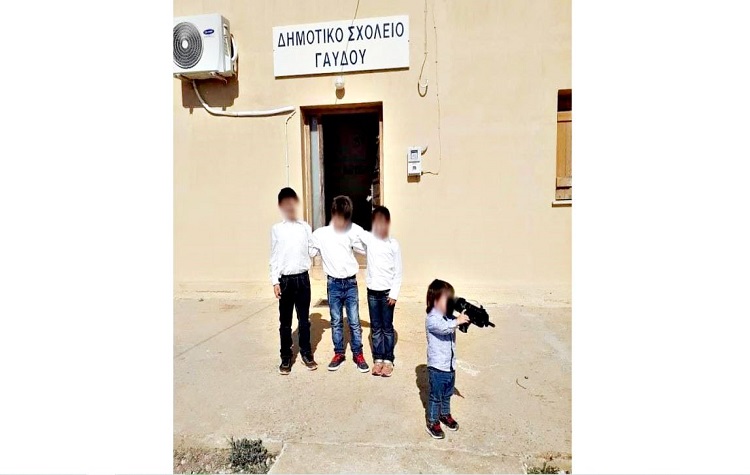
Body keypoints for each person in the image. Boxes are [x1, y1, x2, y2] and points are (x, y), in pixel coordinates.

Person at [310, 195, 370, 373]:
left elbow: (367, 246)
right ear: (333, 213)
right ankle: (339, 353)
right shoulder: (321, 234)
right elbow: (309, 251)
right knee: (336, 321)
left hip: (350, 283)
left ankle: (358, 354)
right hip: (333, 284)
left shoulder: (353, 230)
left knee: (354, 321)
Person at [269, 187, 317, 375]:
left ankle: (306, 353)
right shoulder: (277, 229)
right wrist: (275, 281)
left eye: (292, 202)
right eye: (285, 203)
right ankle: (286, 356)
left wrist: (326, 243)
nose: (289, 206)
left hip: (303, 280)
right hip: (286, 281)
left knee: (304, 320)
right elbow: (274, 257)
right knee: (285, 322)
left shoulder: (305, 227)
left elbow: (312, 250)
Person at [358, 206, 402, 377]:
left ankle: (388, 360)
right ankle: (378, 359)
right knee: (375, 328)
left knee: (387, 328)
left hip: (387, 294)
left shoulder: (393, 244)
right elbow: (354, 232)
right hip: (372, 293)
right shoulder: (369, 240)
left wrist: (394, 293)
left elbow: (398, 272)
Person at [424, 279, 470, 439]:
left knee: (447, 394)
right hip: (437, 367)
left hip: (449, 365)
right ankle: (432, 422)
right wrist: (457, 321)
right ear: (435, 300)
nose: (450, 302)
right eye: (446, 299)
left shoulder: (448, 317)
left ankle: (445, 414)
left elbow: (456, 324)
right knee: (436, 396)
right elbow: (443, 329)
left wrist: (466, 319)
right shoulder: (432, 318)